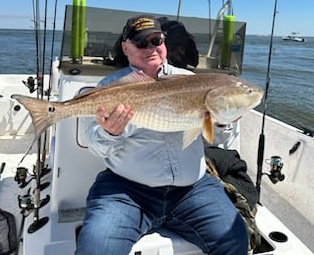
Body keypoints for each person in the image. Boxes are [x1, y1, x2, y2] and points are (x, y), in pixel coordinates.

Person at [75, 15, 248, 255]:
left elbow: (218, 141)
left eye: (156, 40)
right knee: (97, 248)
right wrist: (109, 133)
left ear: (164, 42)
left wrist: (222, 122)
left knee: (236, 239)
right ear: (126, 48)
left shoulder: (191, 82)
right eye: (140, 43)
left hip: (192, 189)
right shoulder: (110, 87)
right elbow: (93, 145)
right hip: (127, 190)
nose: (150, 48)